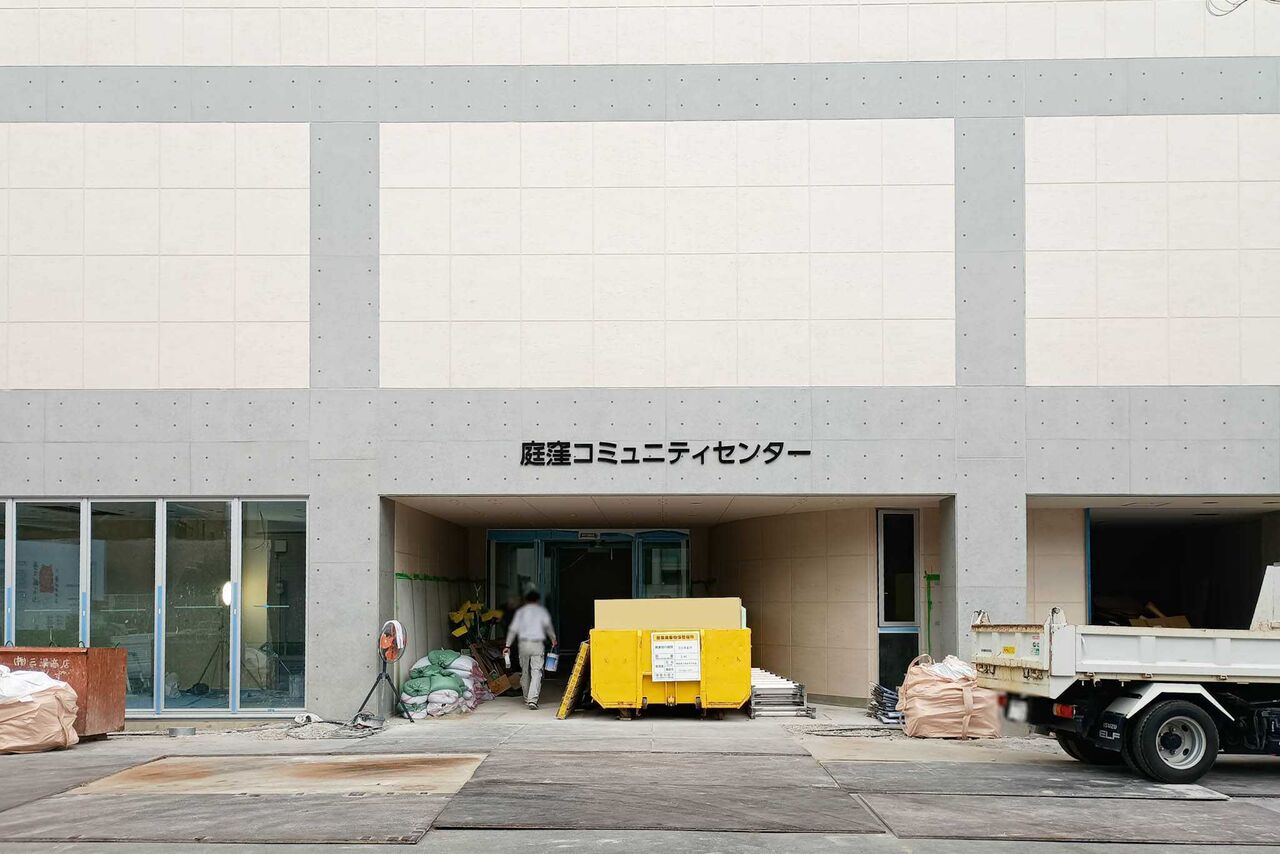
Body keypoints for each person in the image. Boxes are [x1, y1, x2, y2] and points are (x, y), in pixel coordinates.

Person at [503, 590, 557, 710]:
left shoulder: (520, 613)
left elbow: (513, 630)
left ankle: (527, 698)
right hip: (537, 645)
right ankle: (533, 700)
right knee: (536, 671)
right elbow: (548, 627)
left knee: (525, 672)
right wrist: (553, 639)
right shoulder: (541, 612)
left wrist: (507, 645)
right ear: (537, 601)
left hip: (523, 645)